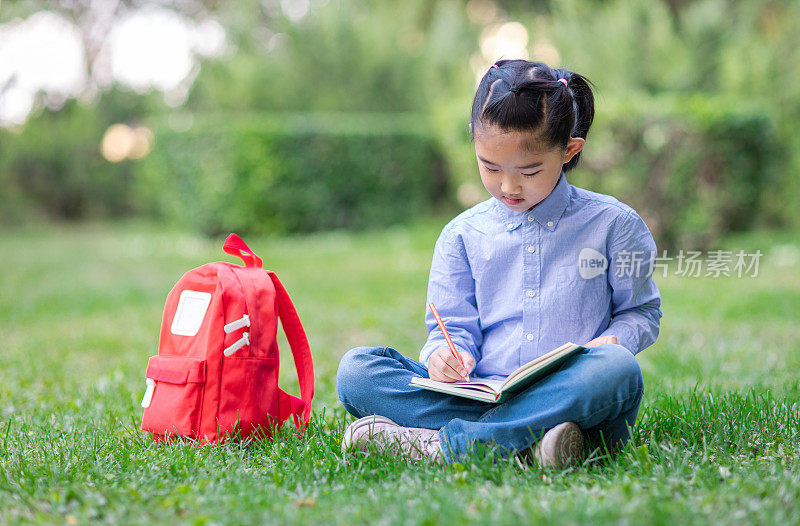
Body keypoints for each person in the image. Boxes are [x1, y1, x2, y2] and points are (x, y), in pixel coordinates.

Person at [336, 59, 662, 468]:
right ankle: (532, 445)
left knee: (617, 371)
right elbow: (450, 327)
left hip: (571, 392)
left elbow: (642, 313)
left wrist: (615, 341)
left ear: (569, 150)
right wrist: (444, 355)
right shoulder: (460, 235)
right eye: (490, 167)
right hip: (485, 391)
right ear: (474, 141)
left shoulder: (614, 224)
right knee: (357, 371)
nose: (508, 186)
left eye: (529, 171)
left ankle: (440, 445)